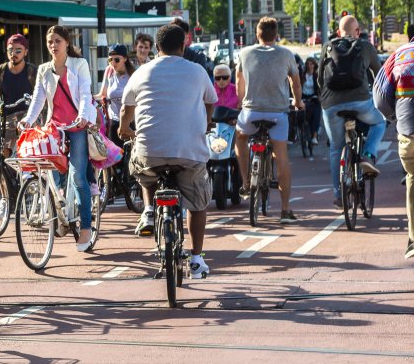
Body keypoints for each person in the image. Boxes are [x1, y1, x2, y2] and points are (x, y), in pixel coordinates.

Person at [119, 23, 217, 279]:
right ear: (183, 46)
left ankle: (150, 210)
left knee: (143, 167)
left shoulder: (142, 72)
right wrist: (206, 123)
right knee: (197, 203)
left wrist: (124, 128)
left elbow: (125, 109)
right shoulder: (197, 71)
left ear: (157, 47)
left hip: (150, 151)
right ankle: (196, 260)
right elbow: (211, 101)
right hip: (189, 153)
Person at [19, 25, 98, 251]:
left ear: (66, 43)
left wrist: (83, 117)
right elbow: (38, 99)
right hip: (54, 128)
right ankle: (61, 209)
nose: (53, 46)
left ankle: (85, 226)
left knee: (78, 177)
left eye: (57, 41)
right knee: (52, 174)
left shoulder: (78, 64)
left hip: (77, 126)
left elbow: (84, 93)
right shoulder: (44, 70)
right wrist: (27, 120)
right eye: (50, 42)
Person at [374, 2, 414, 258]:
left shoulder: (399, 54)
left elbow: (379, 96)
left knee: (413, 178)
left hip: (411, 133)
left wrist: (394, 117)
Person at [233, 16, 303, 224]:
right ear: (276, 34)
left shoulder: (245, 53)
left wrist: (240, 103)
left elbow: (239, 82)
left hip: (250, 112)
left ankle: (246, 182)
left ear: (257, 34)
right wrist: (298, 102)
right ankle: (285, 209)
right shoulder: (286, 54)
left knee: (240, 139)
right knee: (281, 156)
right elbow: (295, 83)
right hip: (277, 113)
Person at [318, 14, 385, 208]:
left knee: (335, 148)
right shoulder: (365, 46)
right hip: (361, 102)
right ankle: (368, 155)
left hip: (332, 105)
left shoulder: (327, 47)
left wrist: (325, 100)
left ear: (338, 32)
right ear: (358, 32)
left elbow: (320, 81)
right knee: (379, 121)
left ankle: (339, 194)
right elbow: (379, 76)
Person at [98, 42, 134, 141]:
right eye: (110, 60)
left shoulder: (133, 74)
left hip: (130, 121)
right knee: (116, 156)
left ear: (125, 59)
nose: (113, 63)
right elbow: (102, 95)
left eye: (117, 60)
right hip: (113, 121)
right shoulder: (109, 71)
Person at [0, 33, 38, 106]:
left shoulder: (33, 71)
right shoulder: (0, 71)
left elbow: (42, 99)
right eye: (10, 50)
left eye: (18, 51)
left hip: (30, 116)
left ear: (25, 52)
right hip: (7, 115)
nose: (13, 54)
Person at [301, 56, 322, 145]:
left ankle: (314, 136)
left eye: (311, 64)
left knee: (316, 116)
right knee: (301, 116)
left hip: (314, 98)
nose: (310, 66)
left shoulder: (317, 75)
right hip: (304, 97)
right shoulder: (302, 75)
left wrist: (319, 96)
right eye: (308, 64)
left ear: (314, 65)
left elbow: (320, 88)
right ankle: (301, 133)